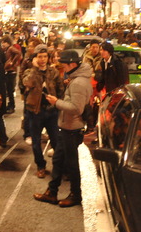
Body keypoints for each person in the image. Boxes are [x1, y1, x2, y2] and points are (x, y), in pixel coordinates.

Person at [33, 50, 92, 208]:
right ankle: (52, 192)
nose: (63, 68)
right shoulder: (77, 79)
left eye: (64, 65)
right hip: (67, 126)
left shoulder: (79, 82)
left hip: (71, 128)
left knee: (71, 164)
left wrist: (56, 102)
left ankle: (75, 195)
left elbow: (76, 108)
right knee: (58, 161)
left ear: (72, 64)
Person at [22, 44, 64, 177]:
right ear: (35, 58)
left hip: (52, 111)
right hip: (35, 112)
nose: (43, 59)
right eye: (40, 57)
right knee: (36, 142)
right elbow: (26, 83)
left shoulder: (53, 72)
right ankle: (41, 166)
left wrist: (58, 104)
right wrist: (34, 68)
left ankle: (59, 166)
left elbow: (60, 89)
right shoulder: (29, 72)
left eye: (45, 56)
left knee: (56, 140)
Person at [1, 35, 22, 114]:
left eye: (4, 42)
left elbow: (18, 53)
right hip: (8, 71)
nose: (3, 44)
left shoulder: (10, 48)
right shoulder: (6, 49)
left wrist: (12, 62)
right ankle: (10, 105)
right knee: (8, 90)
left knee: (10, 90)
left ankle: (12, 106)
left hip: (11, 71)